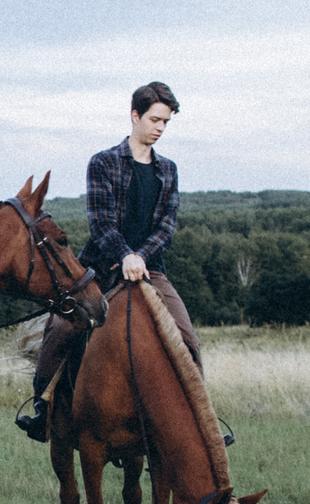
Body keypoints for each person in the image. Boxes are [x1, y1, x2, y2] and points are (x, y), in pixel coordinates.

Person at [17, 80, 202, 440]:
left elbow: (166, 227)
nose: (160, 128)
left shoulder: (169, 170)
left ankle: (196, 416)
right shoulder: (103, 162)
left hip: (151, 270)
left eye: (166, 122)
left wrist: (140, 257)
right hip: (101, 267)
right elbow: (100, 223)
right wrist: (124, 255)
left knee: (187, 337)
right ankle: (43, 407)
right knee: (61, 327)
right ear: (135, 116)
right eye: (154, 120)